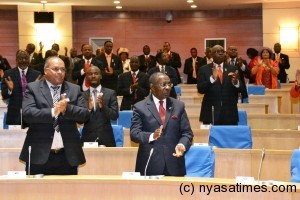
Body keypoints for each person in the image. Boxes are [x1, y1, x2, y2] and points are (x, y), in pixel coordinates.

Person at [19, 56, 90, 175]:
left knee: (67, 193)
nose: (60, 72)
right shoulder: (33, 88)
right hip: (39, 154)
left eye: (63, 69)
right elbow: (27, 114)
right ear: (45, 70)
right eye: (56, 69)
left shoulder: (74, 89)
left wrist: (67, 109)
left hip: (67, 156)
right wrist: (54, 111)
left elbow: (85, 115)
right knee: (35, 193)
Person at [130, 72, 193, 176]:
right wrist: (151, 136)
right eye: (163, 85)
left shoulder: (178, 105)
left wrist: (182, 145)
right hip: (150, 163)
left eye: (169, 84)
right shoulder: (140, 107)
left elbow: (187, 133)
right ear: (152, 87)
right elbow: (134, 134)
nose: (168, 88)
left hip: (174, 162)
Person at [197, 45, 242, 125]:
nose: (221, 53)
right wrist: (212, 79)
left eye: (222, 52)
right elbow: (200, 89)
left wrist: (236, 83)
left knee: (229, 136)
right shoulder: (203, 69)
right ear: (211, 54)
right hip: (211, 111)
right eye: (217, 52)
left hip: (229, 111)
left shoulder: (233, 68)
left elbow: (241, 88)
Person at [1, 50, 41, 127]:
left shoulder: (37, 74)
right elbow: (4, 95)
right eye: (21, 58)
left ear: (29, 60)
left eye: (26, 58)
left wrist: (36, 89)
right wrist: (10, 90)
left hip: (32, 115)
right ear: (16, 60)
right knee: (14, 139)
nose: (23, 60)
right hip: (14, 115)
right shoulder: (8, 74)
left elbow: (41, 97)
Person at [81, 66, 118, 147]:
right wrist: (88, 109)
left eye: (96, 73)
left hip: (106, 138)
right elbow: (79, 120)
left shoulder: (110, 93)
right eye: (90, 74)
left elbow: (115, 116)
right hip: (87, 138)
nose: (93, 76)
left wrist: (103, 107)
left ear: (101, 76)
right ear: (86, 77)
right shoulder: (82, 95)